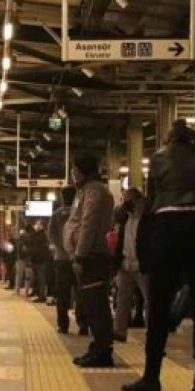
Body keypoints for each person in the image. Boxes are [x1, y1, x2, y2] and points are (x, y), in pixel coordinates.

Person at [123, 119, 195, 391]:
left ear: (169, 138)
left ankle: (152, 377)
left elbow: (155, 201)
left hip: (167, 230)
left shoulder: (157, 158)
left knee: (158, 305)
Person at [64, 154, 115, 367]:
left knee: (96, 306)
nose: (72, 174)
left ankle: (102, 352)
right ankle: (96, 349)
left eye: (74, 169)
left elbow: (89, 224)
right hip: (88, 257)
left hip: (91, 258)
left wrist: (80, 255)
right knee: (92, 305)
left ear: (81, 170)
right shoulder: (86, 191)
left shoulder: (94, 191)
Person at [112, 188, 149, 343]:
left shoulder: (148, 219)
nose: (127, 204)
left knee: (150, 300)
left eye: (129, 201)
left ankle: (153, 332)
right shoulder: (125, 218)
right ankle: (119, 331)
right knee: (123, 298)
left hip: (143, 265)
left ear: (139, 200)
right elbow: (114, 218)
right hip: (125, 264)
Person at [49, 186, 81, 334]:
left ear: (63, 198)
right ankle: (84, 324)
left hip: (62, 258)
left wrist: (62, 247)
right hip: (79, 257)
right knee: (81, 293)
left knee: (62, 294)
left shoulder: (56, 215)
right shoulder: (81, 212)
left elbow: (51, 235)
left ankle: (63, 325)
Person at [29, 221, 51, 303]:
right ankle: (39, 294)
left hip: (40, 260)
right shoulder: (38, 235)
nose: (36, 226)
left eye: (38, 224)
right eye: (36, 224)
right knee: (38, 278)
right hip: (37, 259)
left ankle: (42, 296)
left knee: (41, 279)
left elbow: (38, 247)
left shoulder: (42, 235)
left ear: (41, 226)